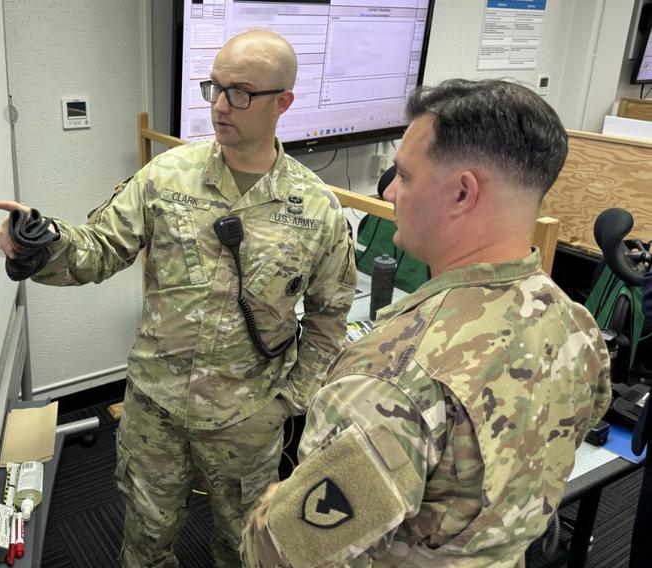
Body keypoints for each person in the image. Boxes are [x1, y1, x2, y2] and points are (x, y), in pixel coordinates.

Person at [0, 30, 356, 568]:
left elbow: (330, 319)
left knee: (245, 549)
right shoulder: (168, 175)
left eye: (241, 92)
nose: (219, 105)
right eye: (214, 87)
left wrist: (286, 404)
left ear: (283, 102)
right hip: (154, 410)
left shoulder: (317, 209)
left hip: (247, 420)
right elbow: (99, 249)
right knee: (146, 538)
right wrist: (39, 244)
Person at [242, 79, 612, 567]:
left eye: (405, 175)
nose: (391, 190)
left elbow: (282, 555)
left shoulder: (392, 376)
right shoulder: (577, 324)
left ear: (463, 193)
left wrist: (273, 506)